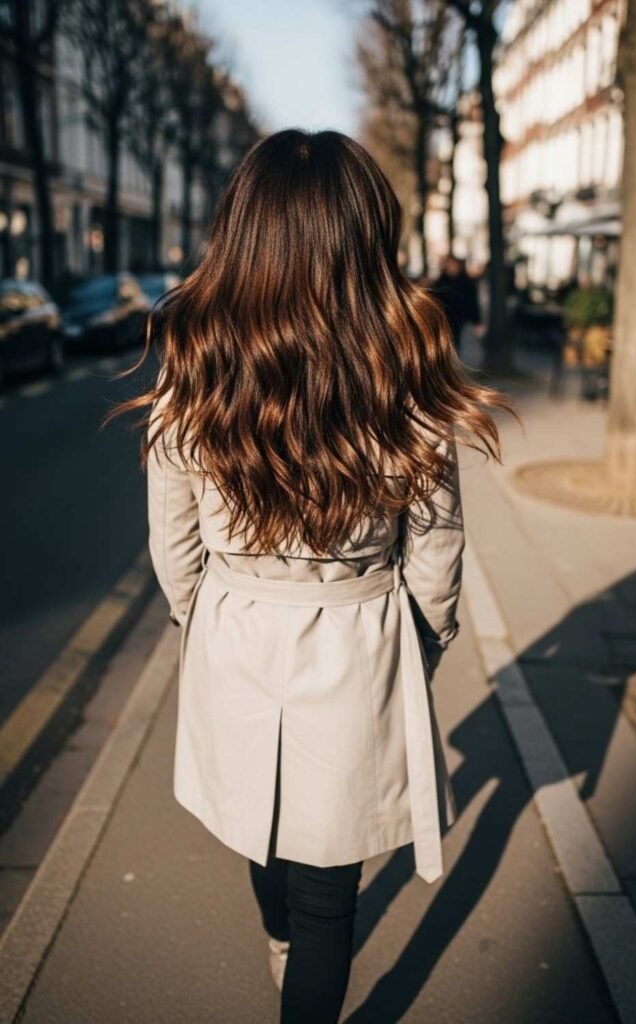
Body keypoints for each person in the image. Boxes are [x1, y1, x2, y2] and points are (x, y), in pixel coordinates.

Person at [110, 130, 516, 1023]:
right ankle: (299, 958)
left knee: (262, 829)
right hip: (359, 625)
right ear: (366, 232)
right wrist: (418, 639)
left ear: (242, 230)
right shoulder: (404, 365)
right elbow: (436, 542)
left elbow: (172, 538)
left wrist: (207, 619)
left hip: (236, 624)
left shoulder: (197, 358)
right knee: (331, 886)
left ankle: (280, 943)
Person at [430, 254, 482, 352]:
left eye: (453, 264)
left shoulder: (466, 283)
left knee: (461, 343)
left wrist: (476, 321)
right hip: (445, 317)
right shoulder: (441, 282)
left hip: (462, 319)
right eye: (448, 264)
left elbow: (472, 303)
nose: (450, 267)